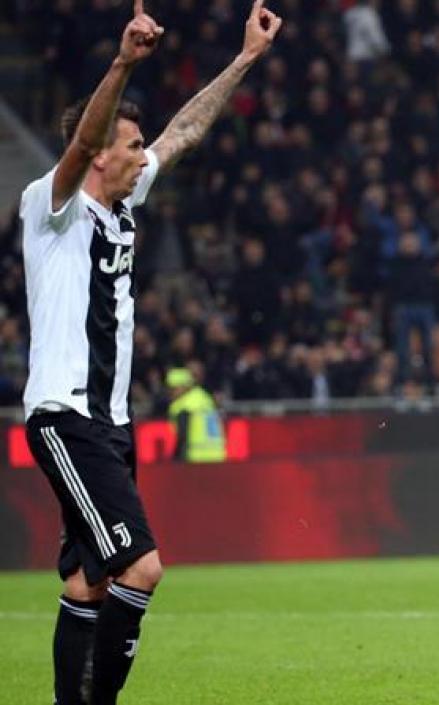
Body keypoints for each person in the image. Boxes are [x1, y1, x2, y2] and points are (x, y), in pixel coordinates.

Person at [19, 3, 281, 702]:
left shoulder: (124, 205)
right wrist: (123, 63)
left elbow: (186, 131)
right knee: (142, 568)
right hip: (67, 415)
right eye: (132, 147)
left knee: (90, 582)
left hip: (110, 423)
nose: (144, 157)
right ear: (98, 153)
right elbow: (82, 143)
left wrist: (245, 59)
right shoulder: (52, 207)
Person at [166, 368, 227, 463]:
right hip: (217, 455)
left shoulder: (183, 406)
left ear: (185, 386)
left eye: (174, 388)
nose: (171, 392)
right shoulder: (204, 397)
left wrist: (177, 458)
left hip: (196, 458)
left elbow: (183, 437)